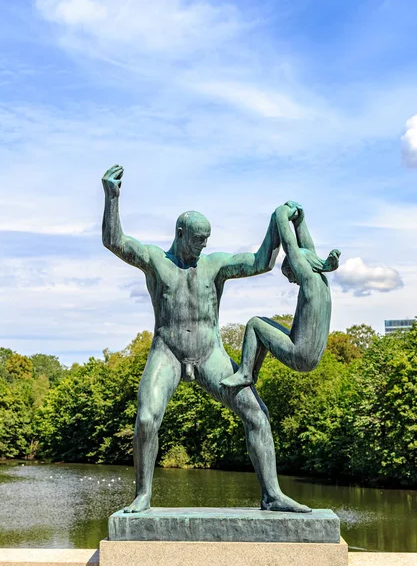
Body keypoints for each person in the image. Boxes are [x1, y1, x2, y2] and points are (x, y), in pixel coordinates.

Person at [102, 164, 310, 513]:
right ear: (180, 233)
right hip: (167, 351)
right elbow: (115, 242)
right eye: (198, 239)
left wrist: (278, 222)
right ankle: (143, 495)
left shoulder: (214, 265)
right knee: (146, 419)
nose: (203, 245)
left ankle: (272, 494)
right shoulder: (156, 261)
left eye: (206, 240)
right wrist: (112, 198)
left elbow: (261, 262)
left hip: (209, 353)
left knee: (257, 415)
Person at [221, 202, 340, 390]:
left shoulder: (309, 280)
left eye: (290, 274)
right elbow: (307, 250)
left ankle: (245, 373)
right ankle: (252, 373)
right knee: (264, 324)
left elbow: (291, 247)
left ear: (297, 268)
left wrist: (281, 215)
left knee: (254, 324)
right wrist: (300, 221)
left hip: (300, 354)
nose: (292, 281)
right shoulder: (321, 280)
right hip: (312, 355)